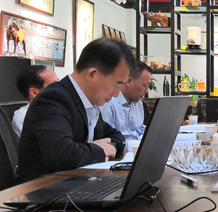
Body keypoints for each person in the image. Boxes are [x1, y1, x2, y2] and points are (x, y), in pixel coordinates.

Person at [17, 38, 132, 182]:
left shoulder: (88, 103)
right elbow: (63, 155)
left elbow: (117, 136)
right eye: (116, 85)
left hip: (76, 183)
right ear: (92, 74)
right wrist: (99, 150)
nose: (116, 94)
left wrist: (108, 148)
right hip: (44, 188)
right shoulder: (53, 99)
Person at [99, 60, 153, 140]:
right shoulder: (108, 104)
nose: (146, 91)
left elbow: (140, 131)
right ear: (129, 81)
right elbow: (108, 139)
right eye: (144, 85)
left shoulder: (139, 104)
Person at [12, 65, 59, 137]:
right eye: (54, 85)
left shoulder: (59, 110)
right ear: (34, 92)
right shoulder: (23, 117)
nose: (60, 89)